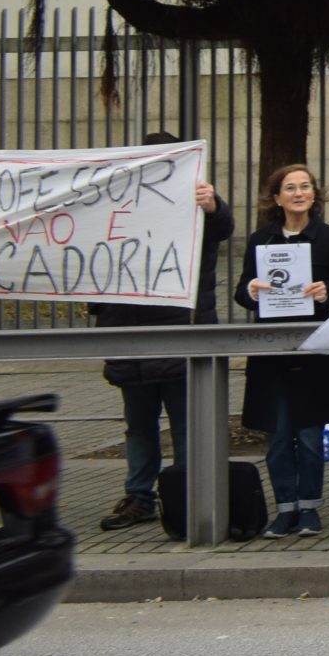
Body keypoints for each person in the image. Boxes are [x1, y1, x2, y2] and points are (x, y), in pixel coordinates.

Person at [93, 133, 232, 531]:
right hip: (128, 336)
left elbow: (222, 228)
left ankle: (186, 496)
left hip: (177, 338)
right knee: (138, 426)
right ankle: (140, 497)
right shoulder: (115, 207)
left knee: (185, 425)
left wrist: (213, 206)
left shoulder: (193, 205)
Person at [233, 164, 329, 537]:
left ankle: (310, 508)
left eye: (305, 187)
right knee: (279, 435)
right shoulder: (261, 240)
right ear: (277, 197)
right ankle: (285, 509)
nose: (299, 193)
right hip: (273, 356)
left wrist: (328, 291)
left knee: (312, 437)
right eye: (290, 187)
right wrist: (251, 290)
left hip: (316, 354)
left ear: (315, 195)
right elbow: (241, 292)